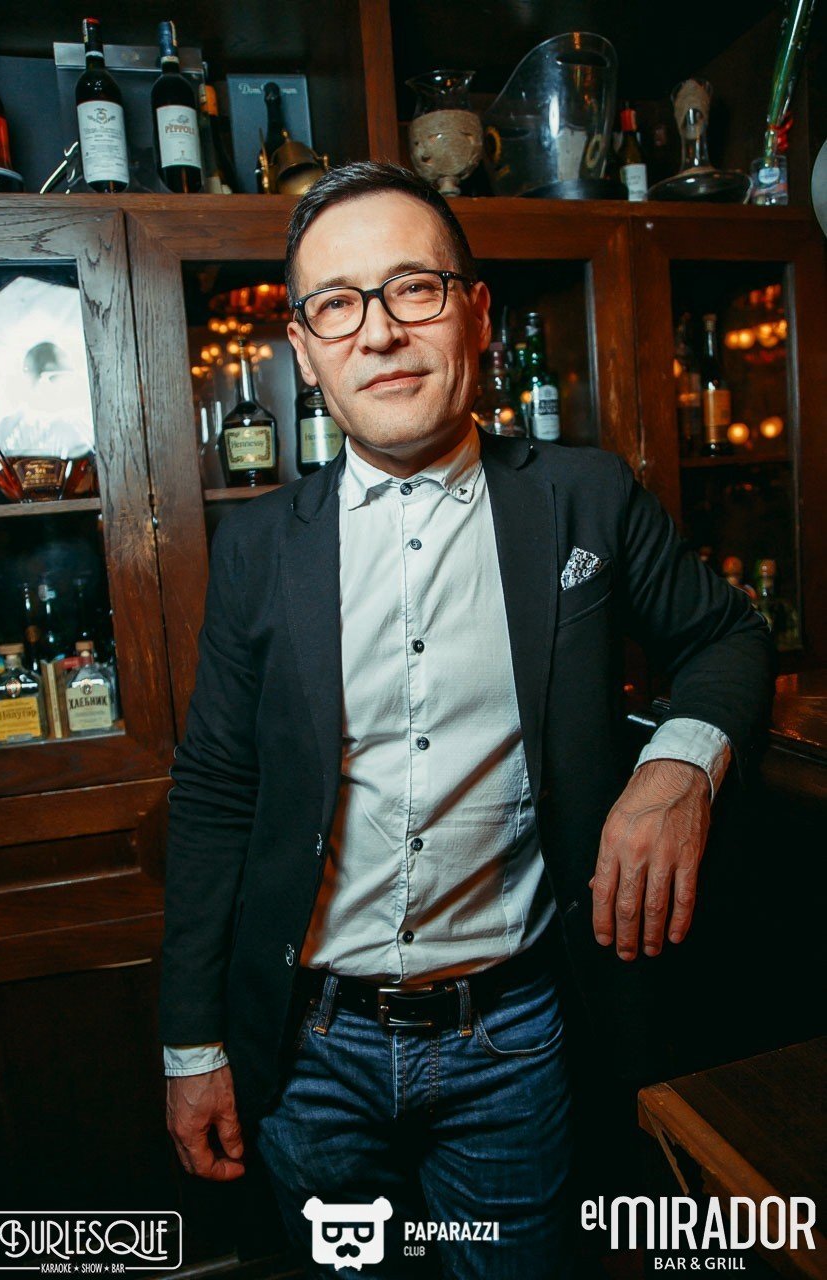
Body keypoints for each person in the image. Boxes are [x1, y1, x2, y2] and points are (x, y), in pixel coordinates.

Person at [160, 162, 775, 1278]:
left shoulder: (585, 497)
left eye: (415, 288)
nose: (379, 332)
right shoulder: (254, 547)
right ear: (303, 349)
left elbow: (728, 636)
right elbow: (212, 793)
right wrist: (191, 1045)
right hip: (308, 1043)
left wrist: (677, 766)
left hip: (517, 1040)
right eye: (335, 304)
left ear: (477, 315)